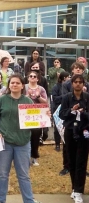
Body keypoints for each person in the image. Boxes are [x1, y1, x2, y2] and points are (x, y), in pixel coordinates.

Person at [0, 74, 41, 203]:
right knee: (2, 174)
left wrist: (43, 117)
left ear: (22, 85)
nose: (14, 85)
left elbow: (35, 122)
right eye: (12, 83)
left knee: (23, 175)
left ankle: (29, 200)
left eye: (18, 83)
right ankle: (1, 200)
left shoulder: (28, 101)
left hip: (23, 143)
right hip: (5, 143)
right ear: (9, 85)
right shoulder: (1, 100)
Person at [59, 74, 89, 203]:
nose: (77, 84)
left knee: (81, 162)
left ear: (83, 84)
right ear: (72, 84)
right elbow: (61, 115)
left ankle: (79, 191)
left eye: (80, 82)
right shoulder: (66, 97)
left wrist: (83, 112)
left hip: (84, 132)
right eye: (75, 82)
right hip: (70, 131)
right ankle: (74, 188)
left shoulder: (87, 97)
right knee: (72, 161)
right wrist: (72, 110)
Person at [25, 70, 48, 166]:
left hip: (37, 116)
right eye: (31, 76)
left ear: (38, 79)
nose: (33, 78)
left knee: (35, 136)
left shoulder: (41, 89)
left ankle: (34, 157)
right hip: (25, 115)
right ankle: (26, 158)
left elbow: (45, 102)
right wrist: (27, 96)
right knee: (26, 137)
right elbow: (20, 100)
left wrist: (38, 96)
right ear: (28, 77)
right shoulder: (24, 87)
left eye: (34, 76)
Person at [51, 71, 71, 177]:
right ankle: (58, 145)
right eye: (68, 77)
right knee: (60, 133)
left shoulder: (72, 86)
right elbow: (55, 98)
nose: (69, 78)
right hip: (59, 112)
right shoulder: (56, 87)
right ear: (63, 78)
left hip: (71, 115)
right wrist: (66, 97)